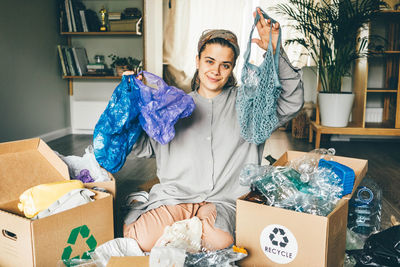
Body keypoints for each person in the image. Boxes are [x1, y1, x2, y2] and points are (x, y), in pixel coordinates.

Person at [122, 8, 304, 252]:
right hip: (175, 198)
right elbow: (141, 147)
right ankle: (146, 208)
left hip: (223, 201)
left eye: (225, 65)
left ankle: (184, 232)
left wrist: (275, 50)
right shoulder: (171, 104)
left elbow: (292, 101)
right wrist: (130, 105)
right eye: (209, 61)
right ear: (197, 61)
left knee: (220, 241)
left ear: (232, 69)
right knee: (136, 239)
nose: (215, 71)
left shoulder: (250, 104)